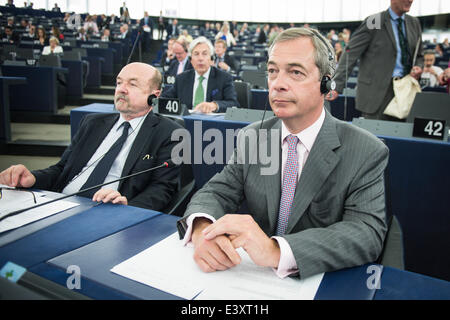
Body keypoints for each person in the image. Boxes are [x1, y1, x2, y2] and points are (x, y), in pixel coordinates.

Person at [177, 28, 389, 279]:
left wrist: (276, 250)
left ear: (326, 83)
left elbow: (366, 233)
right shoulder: (252, 138)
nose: (277, 84)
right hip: (251, 279)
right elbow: (216, 192)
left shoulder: (366, 150)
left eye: (295, 72)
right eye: (272, 71)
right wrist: (203, 227)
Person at [0, 63, 181, 211]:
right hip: (60, 203)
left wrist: (128, 206)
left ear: (154, 95)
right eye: (119, 83)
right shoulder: (92, 122)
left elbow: (162, 188)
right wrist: (33, 178)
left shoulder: (169, 132)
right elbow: (62, 169)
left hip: (109, 211)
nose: (122, 89)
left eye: (132, 84)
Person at [328, 0, 423, 121]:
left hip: (405, 92)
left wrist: (419, 66)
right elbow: (351, 53)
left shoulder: (414, 23)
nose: (410, 0)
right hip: (376, 94)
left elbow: (419, 55)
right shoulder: (376, 21)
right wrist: (337, 85)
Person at [162, 36, 239, 113]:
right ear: (190, 60)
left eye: (205, 54)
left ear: (211, 58)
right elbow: (164, 99)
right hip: (185, 123)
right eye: (196, 54)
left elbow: (233, 104)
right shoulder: (181, 79)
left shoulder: (224, 78)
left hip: (211, 123)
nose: (200, 58)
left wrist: (215, 105)